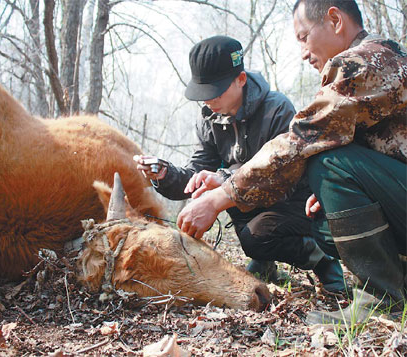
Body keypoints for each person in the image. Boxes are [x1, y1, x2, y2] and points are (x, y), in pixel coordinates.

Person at [176, 1, 406, 323]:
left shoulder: (365, 61)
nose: (302, 52)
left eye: (303, 37)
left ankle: (379, 301)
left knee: (327, 162)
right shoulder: (373, 61)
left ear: (335, 20)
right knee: (326, 223)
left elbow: (301, 142)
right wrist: (338, 192)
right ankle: (400, 279)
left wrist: (217, 198)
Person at [134, 35, 345, 293]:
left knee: (256, 236)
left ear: (241, 80)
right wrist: (164, 174)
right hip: (248, 205)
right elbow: (197, 172)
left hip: (296, 203)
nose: (207, 100)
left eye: (214, 91)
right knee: (253, 234)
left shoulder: (277, 110)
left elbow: (283, 180)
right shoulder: (209, 119)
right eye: (203, 93)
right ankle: (264, 259)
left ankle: (323, 260)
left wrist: (224, 180)